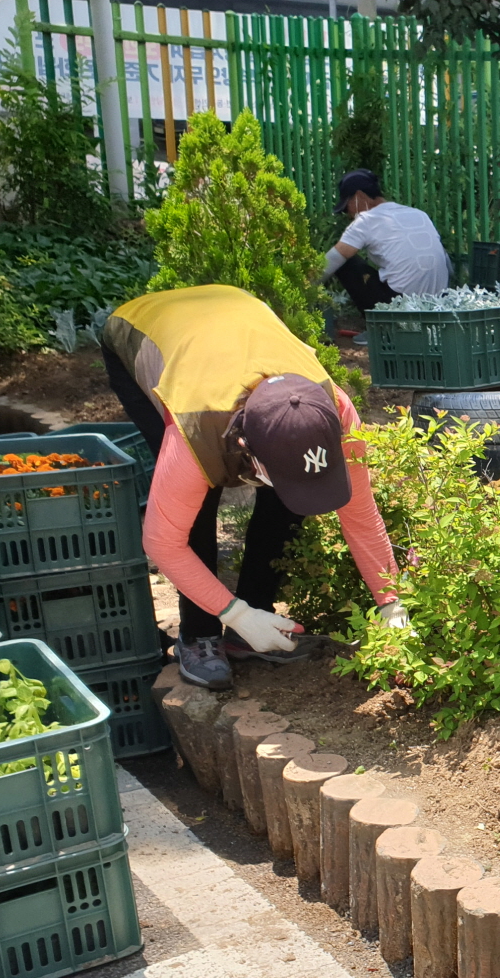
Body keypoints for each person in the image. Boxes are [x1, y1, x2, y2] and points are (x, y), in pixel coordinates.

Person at [102, 283, 409, 691]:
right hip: (142, 329)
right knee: (195, 507)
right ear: (246, 449)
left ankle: (255, 623)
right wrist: (234, 613)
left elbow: (360, 512)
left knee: (291, 495)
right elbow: (162, 542)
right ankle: (200, 636)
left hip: (234, 317)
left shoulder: (333, 410)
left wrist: (392, 601)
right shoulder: (195, 428)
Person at [321, 169, 451, 310]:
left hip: (401, 305)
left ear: (359, 196)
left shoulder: (366, 220)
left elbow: (332, 260)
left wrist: (303, 289)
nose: (348, 214)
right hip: (437, 303)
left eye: (347, 207)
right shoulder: (419, 214)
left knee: (345, 263)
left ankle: (378, 325)